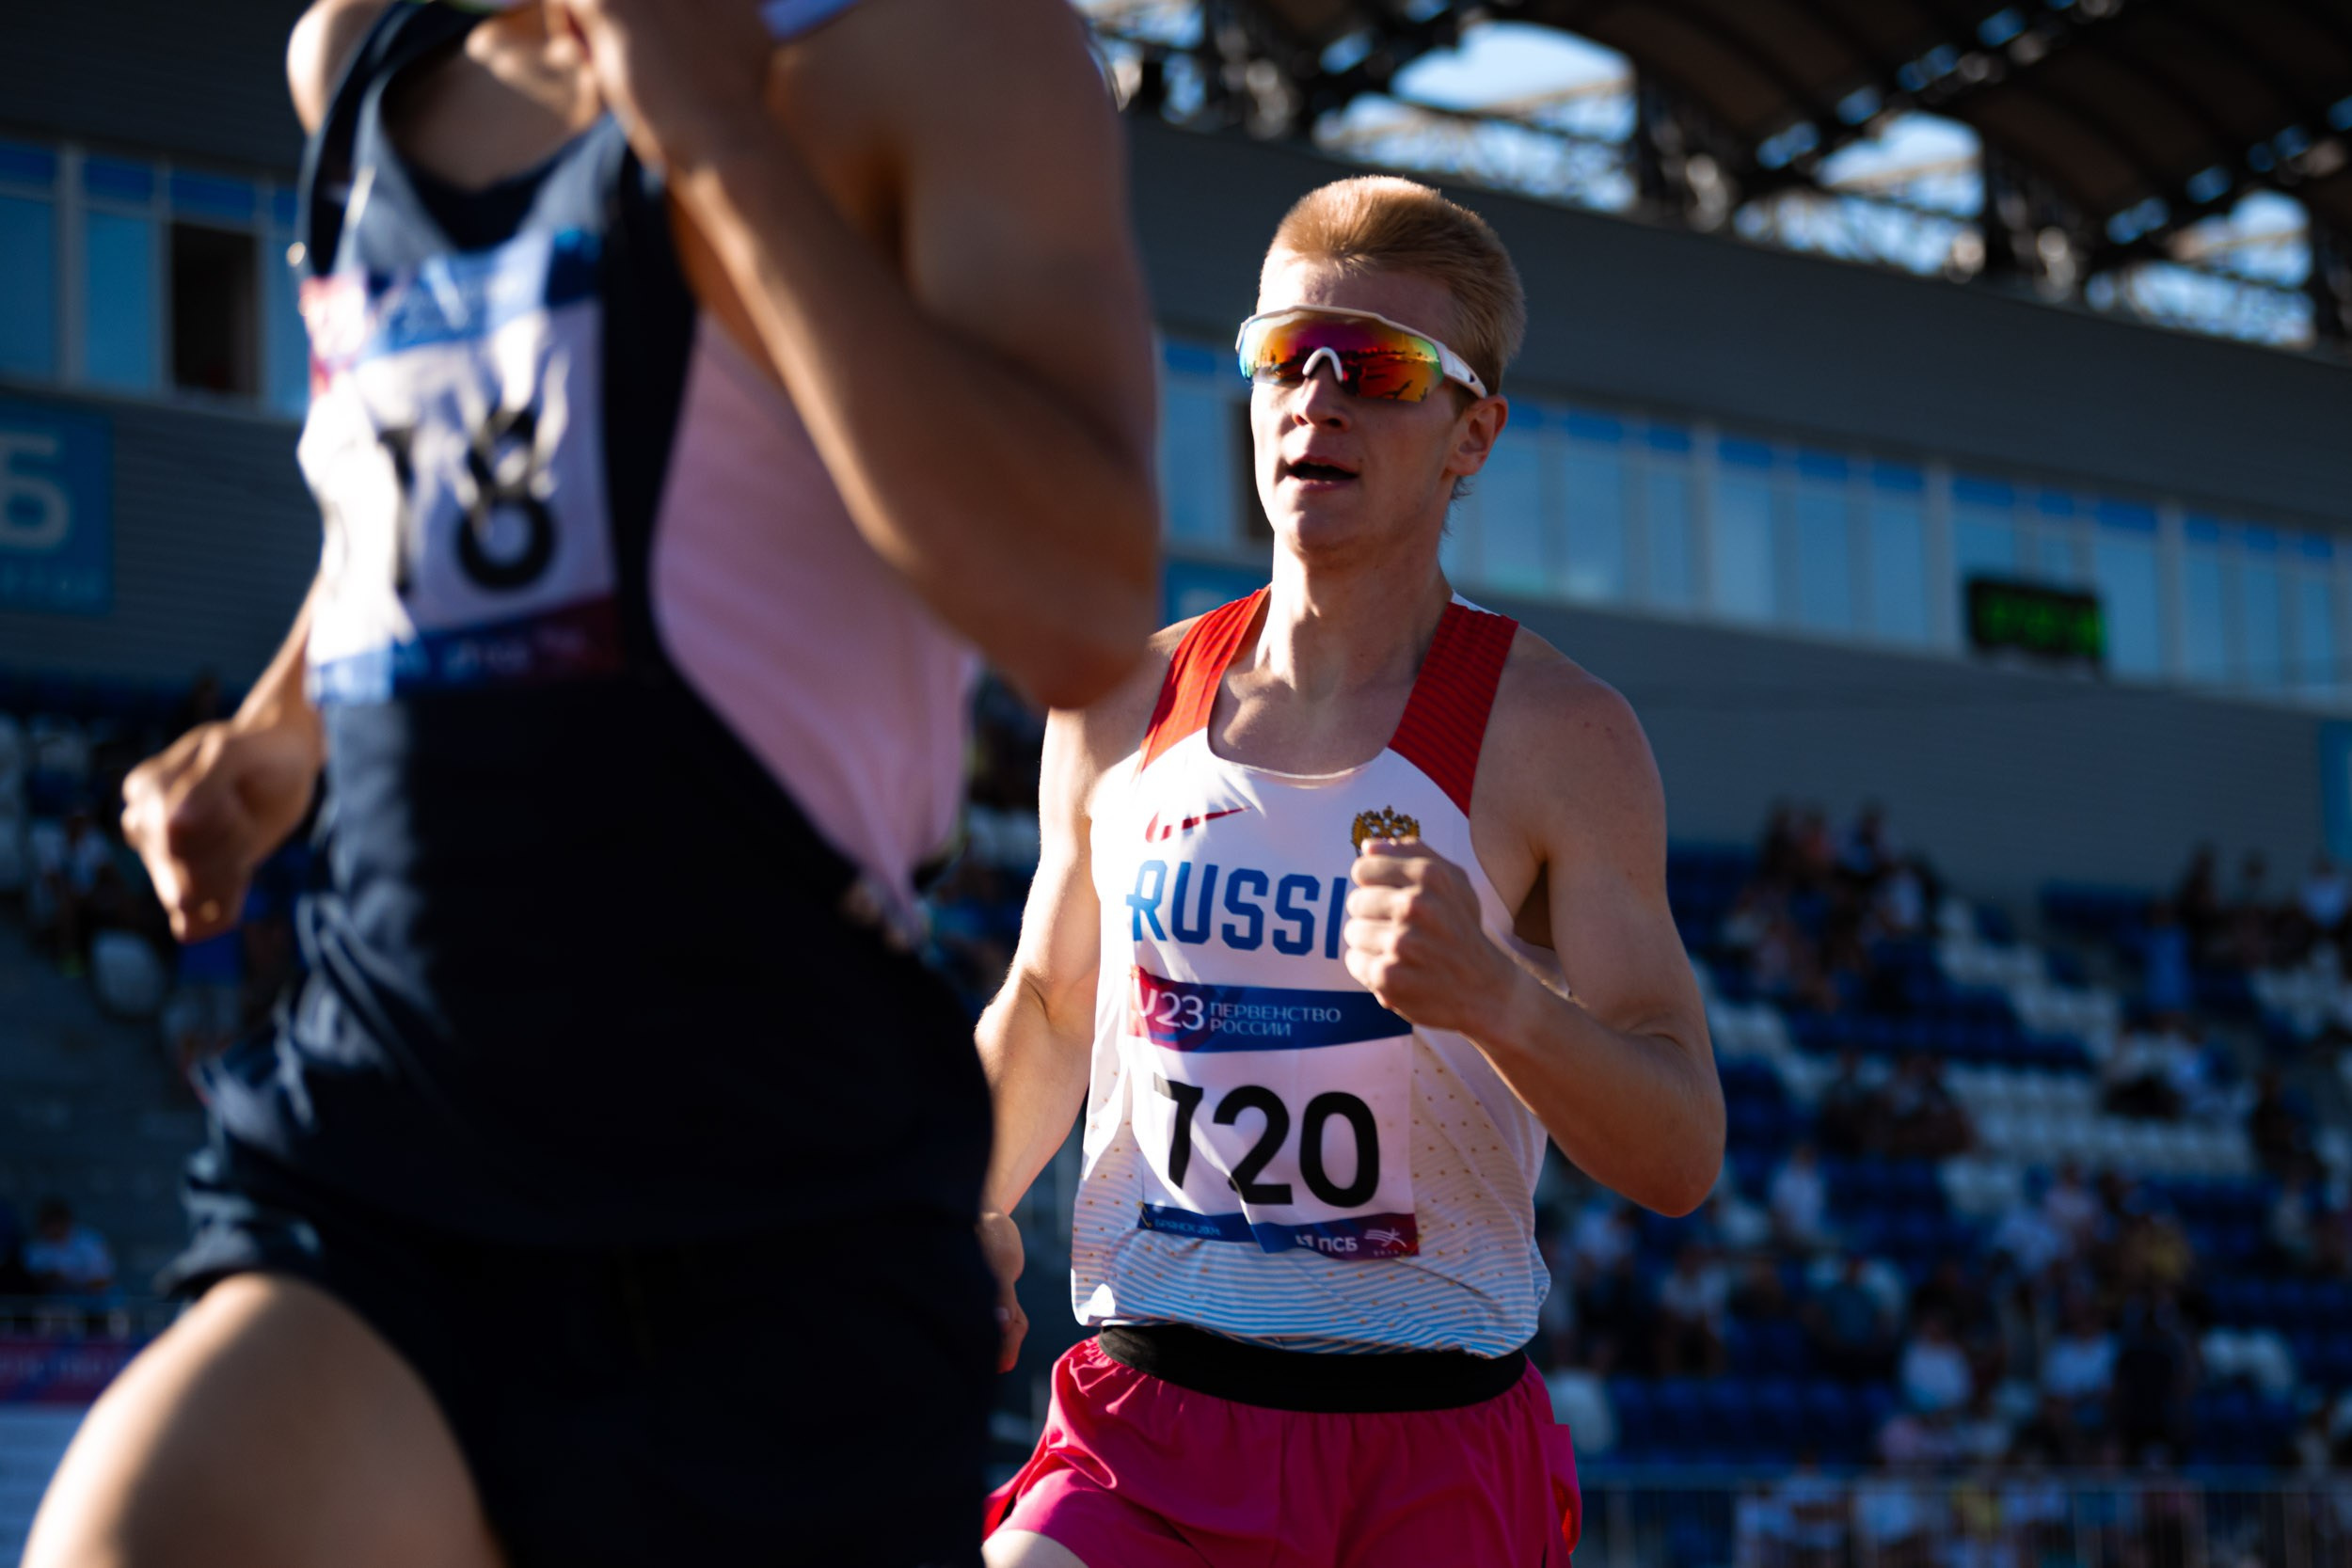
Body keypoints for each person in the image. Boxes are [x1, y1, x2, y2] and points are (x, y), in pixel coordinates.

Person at [29, 1, 1157, 1564]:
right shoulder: (363, 53)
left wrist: (718, 143)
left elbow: (1081, 605)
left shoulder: (952, 51)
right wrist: (283, 729)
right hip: (394, 1121)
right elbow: (450, 436)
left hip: (774, 1189)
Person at [973, 175, 1720, 1567]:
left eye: (1375, 368)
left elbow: (1679, 1149)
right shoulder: (1117, 705)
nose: (1317, 396)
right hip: (1153, 1424)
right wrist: (957, 1195)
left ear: (1472, 435)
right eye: (1284, 355)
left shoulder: (1561, 738)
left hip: (1430, 1449)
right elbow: (1054, 1008)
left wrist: (1499, 998)